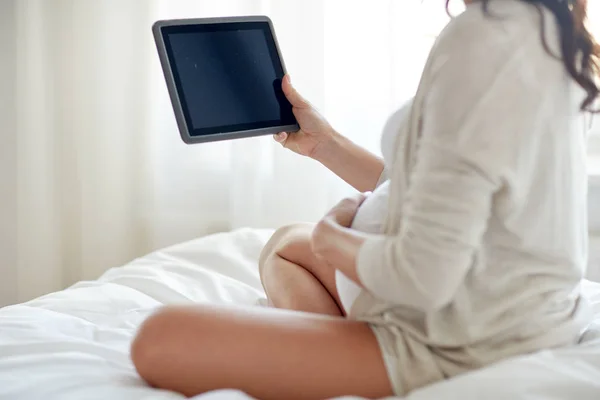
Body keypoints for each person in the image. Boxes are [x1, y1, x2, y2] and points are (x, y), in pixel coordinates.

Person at [130, 0, 600, 398]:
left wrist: (330, 239)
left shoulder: (483, 40)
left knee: (157, 339)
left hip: (465, 339)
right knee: (283, 243)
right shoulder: (551, 32)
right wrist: (325, 144)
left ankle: (339, 361)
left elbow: (424, 277)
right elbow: (439, 190)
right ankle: (332, 353)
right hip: (518, 311)